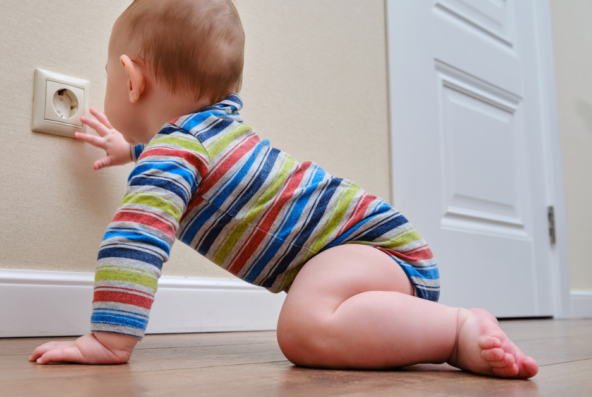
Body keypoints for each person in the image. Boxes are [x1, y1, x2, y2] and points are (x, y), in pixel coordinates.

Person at [29, 0, 538, 379]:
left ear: (131, 79)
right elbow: (198, 172)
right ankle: (426, 326)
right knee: (309, 319)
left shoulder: (177, 151)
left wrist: (108, 338)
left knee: (302, 328)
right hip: (381, 254)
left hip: (374, 251)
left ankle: (455, 331)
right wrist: (133, 151)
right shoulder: (204, 137)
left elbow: (138, 235)